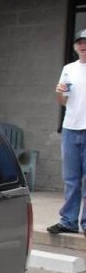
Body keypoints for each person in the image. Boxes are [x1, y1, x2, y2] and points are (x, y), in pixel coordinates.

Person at [48, 30, 86, 234]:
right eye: (80, 43)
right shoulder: (69, 69)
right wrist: (59, 93)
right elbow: (63, 101)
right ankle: (68, 221)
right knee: (71, 178)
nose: (83, 46)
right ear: (75, 47)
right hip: (71, 128)